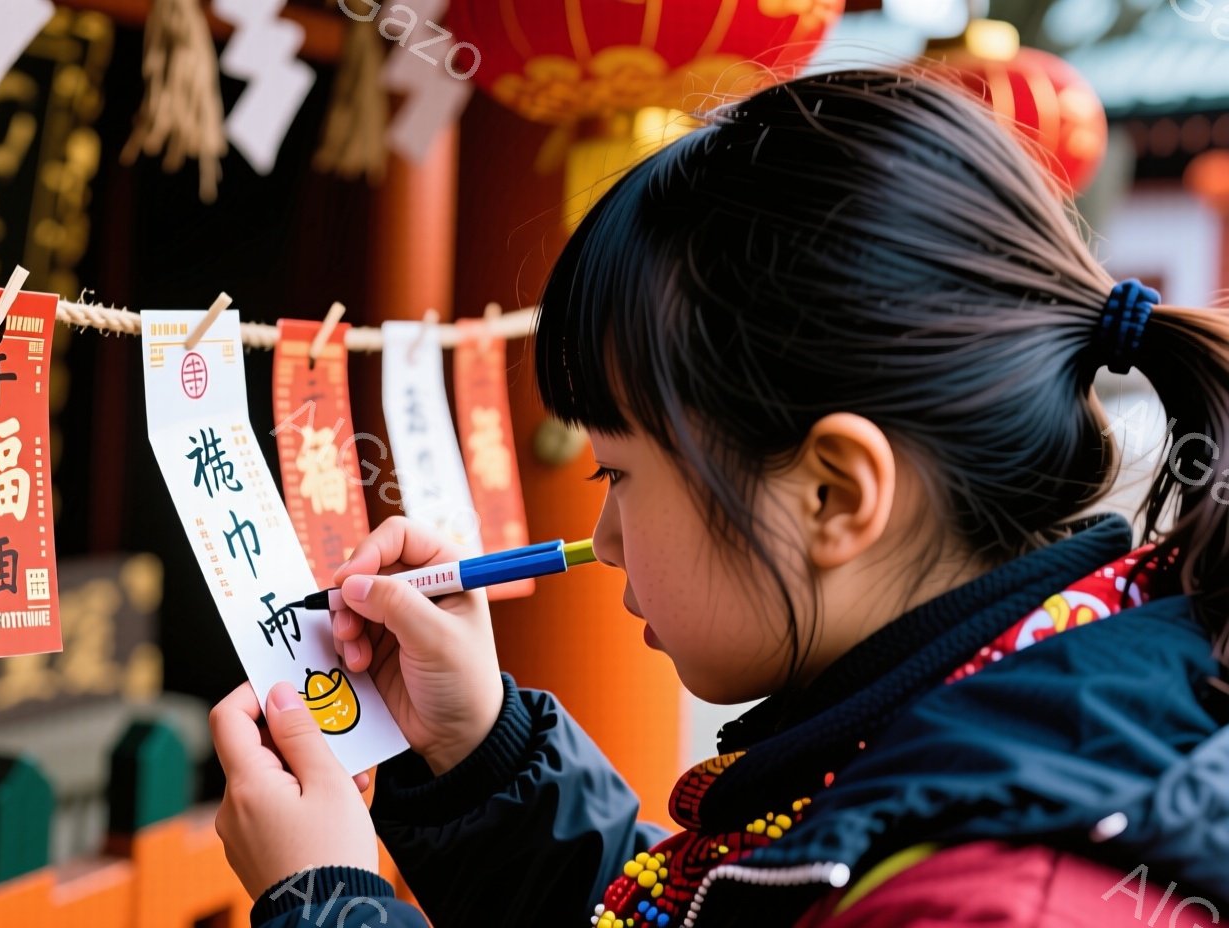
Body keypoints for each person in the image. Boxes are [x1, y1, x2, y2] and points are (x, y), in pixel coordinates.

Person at [208, 69, 1229, 928]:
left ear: (833, 493)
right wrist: (481, 750)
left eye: (618, 474)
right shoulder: (1014, 732)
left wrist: (326, 901)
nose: (604, 541)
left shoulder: (992, 894)